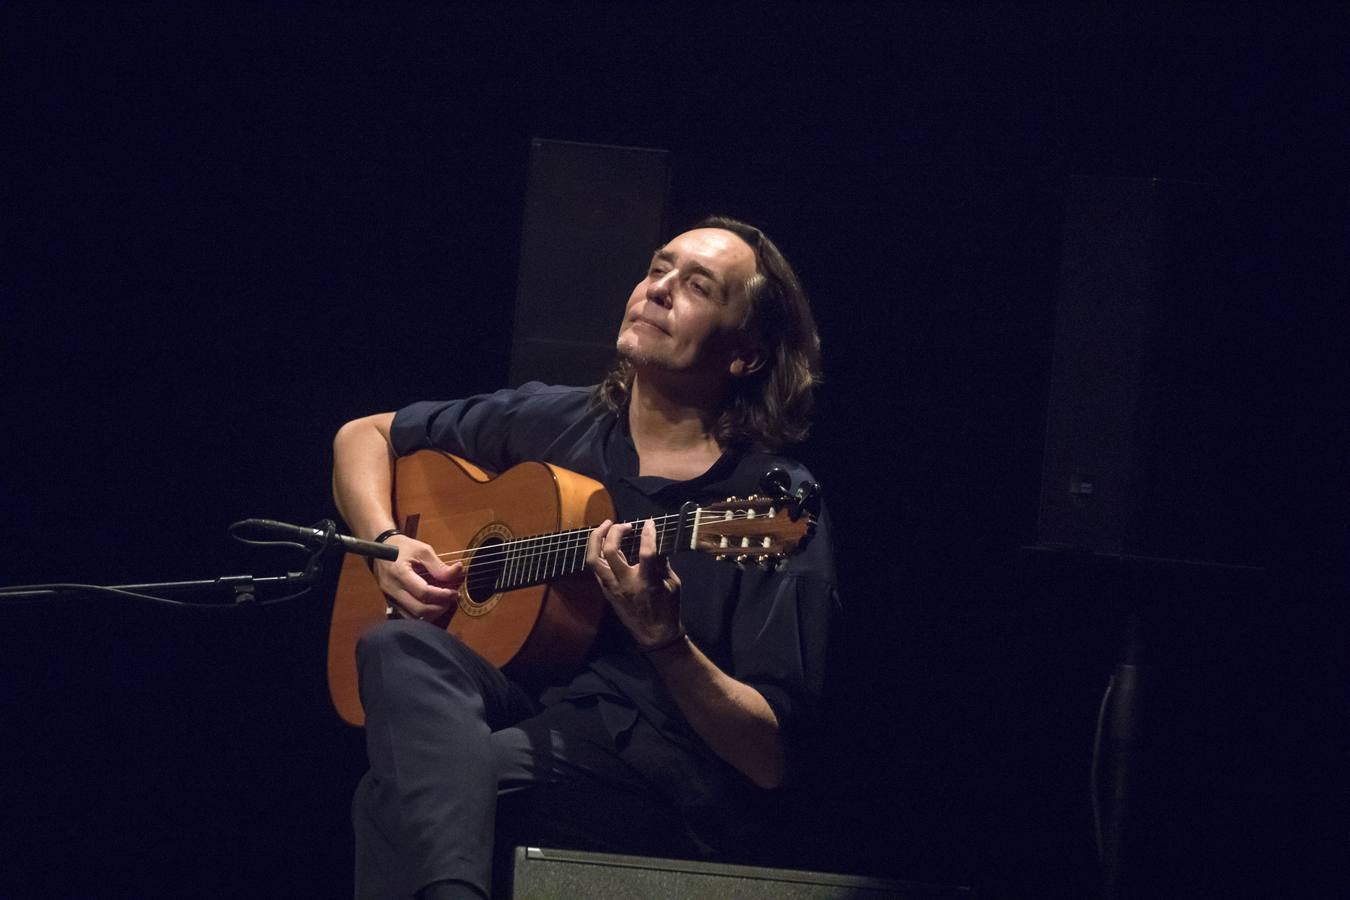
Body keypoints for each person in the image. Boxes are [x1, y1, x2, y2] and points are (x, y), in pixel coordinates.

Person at [332, 216, 838, 899]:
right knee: (396, 646)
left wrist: (667, 642)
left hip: (654, 758)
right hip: (518, 707)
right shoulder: (553, 421)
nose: (659, 289)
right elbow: (363, 434)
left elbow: (769, 757)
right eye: (658, 268)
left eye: (697, 287)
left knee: (401, 795)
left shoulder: (770, 505)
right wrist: (385, 542)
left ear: (745, 354)